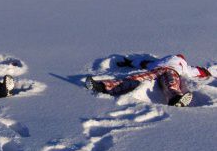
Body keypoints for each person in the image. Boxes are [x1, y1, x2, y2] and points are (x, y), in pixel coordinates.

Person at [85, 54, 213, 107]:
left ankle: (104, 86)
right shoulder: (183, 65)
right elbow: (199, 71)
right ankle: (175, 97)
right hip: (168, 71)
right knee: (171, 84)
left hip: (159, 70)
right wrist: (209, 72)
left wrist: (129, 62)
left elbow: (143, 63)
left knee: (137, 79)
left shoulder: (166, 62)